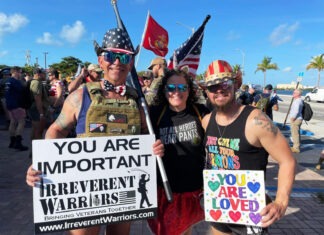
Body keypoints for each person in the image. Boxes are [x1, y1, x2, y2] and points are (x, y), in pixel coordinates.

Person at [26, 27, 164, 235]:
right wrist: (44, 163)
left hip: (124, 190)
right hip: (86, 192)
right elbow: (56, 130)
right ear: (101, 61)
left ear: (131, 63)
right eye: (110, 55)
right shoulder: (81, 96)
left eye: (124, 57)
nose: (117, 62)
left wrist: (155, 148)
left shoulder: (137, 101)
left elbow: (147, 138)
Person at [201, 60, 296, 235]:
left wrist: (281, 202)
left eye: (225, 83)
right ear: (206, 92)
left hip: (249, 209)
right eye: (212, 87)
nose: (219, 90)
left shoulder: (256, 120)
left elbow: (287, 161)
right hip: (219, 204)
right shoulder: (207, 121)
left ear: (235, 85)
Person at [147, 69, 210, 235]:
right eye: (171, 87)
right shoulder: (154, 114)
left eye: (182, 88)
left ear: (189, 90)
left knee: (185, 231)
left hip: (193, 190)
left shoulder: (201, 112)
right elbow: (139, 144)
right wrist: (150, 150)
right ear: (164, 90)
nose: (176, 92)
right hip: (165, 190)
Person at [4, 66, 29, 151]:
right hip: (17, 104)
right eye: (20, 72)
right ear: (15, 72)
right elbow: (23, 89)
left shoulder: (8, 81)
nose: (20, 74)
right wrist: (27, 80)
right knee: (21, 122)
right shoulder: (15, 81)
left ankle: (12, 142)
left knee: (13, 122)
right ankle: (18, 143)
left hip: (9, 104)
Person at [289, 89, 303, 153]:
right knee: (296, 133)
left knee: (295, 134)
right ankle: (296, 146)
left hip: (296, 119)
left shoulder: (297, 101)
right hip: (298, 119)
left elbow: (296, 110)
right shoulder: (300, 100)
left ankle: (296, 148)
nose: (293, 93)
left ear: (298, 94)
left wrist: (293, 118)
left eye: (294, 92)